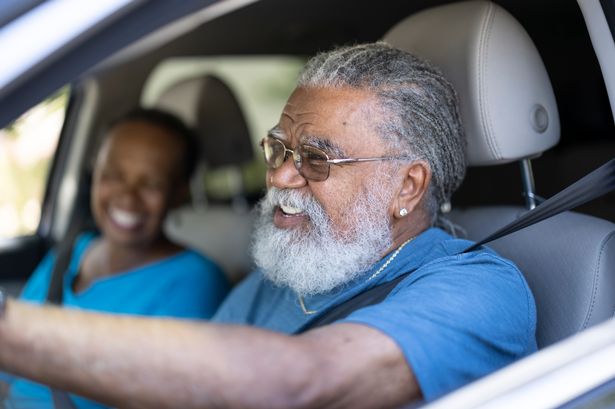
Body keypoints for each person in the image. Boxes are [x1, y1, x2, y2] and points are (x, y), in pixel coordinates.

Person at [0, 43, 536, 409]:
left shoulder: (479, 290)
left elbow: (301, 382)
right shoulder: (280, 278)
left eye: (317, 160)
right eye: (278, 147)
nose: (279, 175)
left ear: (408, 188)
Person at [3, 108, 230, 408]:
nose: (127, 196)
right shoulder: (70, 252)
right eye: (113, 175)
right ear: (94, 173)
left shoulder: (196, 282)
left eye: (151, 184)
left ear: (179, 193)